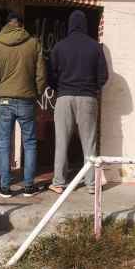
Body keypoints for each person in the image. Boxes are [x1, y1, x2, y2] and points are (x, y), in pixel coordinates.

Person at [0, 12, 46, 198]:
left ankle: (4, 187)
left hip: (4, 100)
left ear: (7, 25)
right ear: (21, 25)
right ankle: (29, 186)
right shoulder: (33, 43)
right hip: (27, 100)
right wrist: (35, 93)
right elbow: (41, 75)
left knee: (4, 143)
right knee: (29, 143)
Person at [48, 10, 108, 194]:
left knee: (61, 141)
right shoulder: (95, 47)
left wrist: (61, 88)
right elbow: (103, 76)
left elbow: (50, 75)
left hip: (64, 97)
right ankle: (91, 185)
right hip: (88, 97)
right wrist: (92, 88)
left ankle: (58, 182)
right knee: (89, 143)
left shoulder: (59, 47)